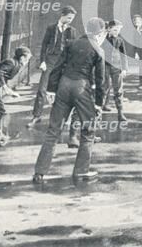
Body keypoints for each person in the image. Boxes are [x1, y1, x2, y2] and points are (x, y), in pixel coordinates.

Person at [32, 18, 107, 183]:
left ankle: (39, 172)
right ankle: (81, 171)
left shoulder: (71, 44)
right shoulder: (98, 50)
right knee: (88, 130)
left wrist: (51, 90)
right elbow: (100, 80)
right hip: (81, 88)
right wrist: (98, 103)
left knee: (53, 131)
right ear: (100, 33)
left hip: (64, 86)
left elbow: (58, 67)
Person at [27, 6, 77, 128]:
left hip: (64, 63)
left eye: (72, 18)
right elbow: (44, 45)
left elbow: (73, 49)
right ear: (62, 15)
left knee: (63, 91)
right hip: (50, 62)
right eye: (69, 17)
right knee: (42, 89)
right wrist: (42, 61)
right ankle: (36, 116)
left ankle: (61, 118)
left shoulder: (72, 31)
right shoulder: (51, 28)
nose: (70, 20)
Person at [0, 47, 31, 147]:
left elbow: (4, 75)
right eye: (27, 58)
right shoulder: (11, 62)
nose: (28, 61)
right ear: (21, 58)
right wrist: (6, 88)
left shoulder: (16, 64)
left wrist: (8, 90)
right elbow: (0, 72)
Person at [102, 19, 128, 122]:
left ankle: (120, 113)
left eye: (118, 30)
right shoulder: (103, 40)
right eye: (115, 30)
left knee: (118, 90)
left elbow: (124, 55)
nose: (117, 32)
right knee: (104, 88)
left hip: (116, 67)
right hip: (104, 67)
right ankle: (100, 109)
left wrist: (124, 69)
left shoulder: (120, 40)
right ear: (108, 29)